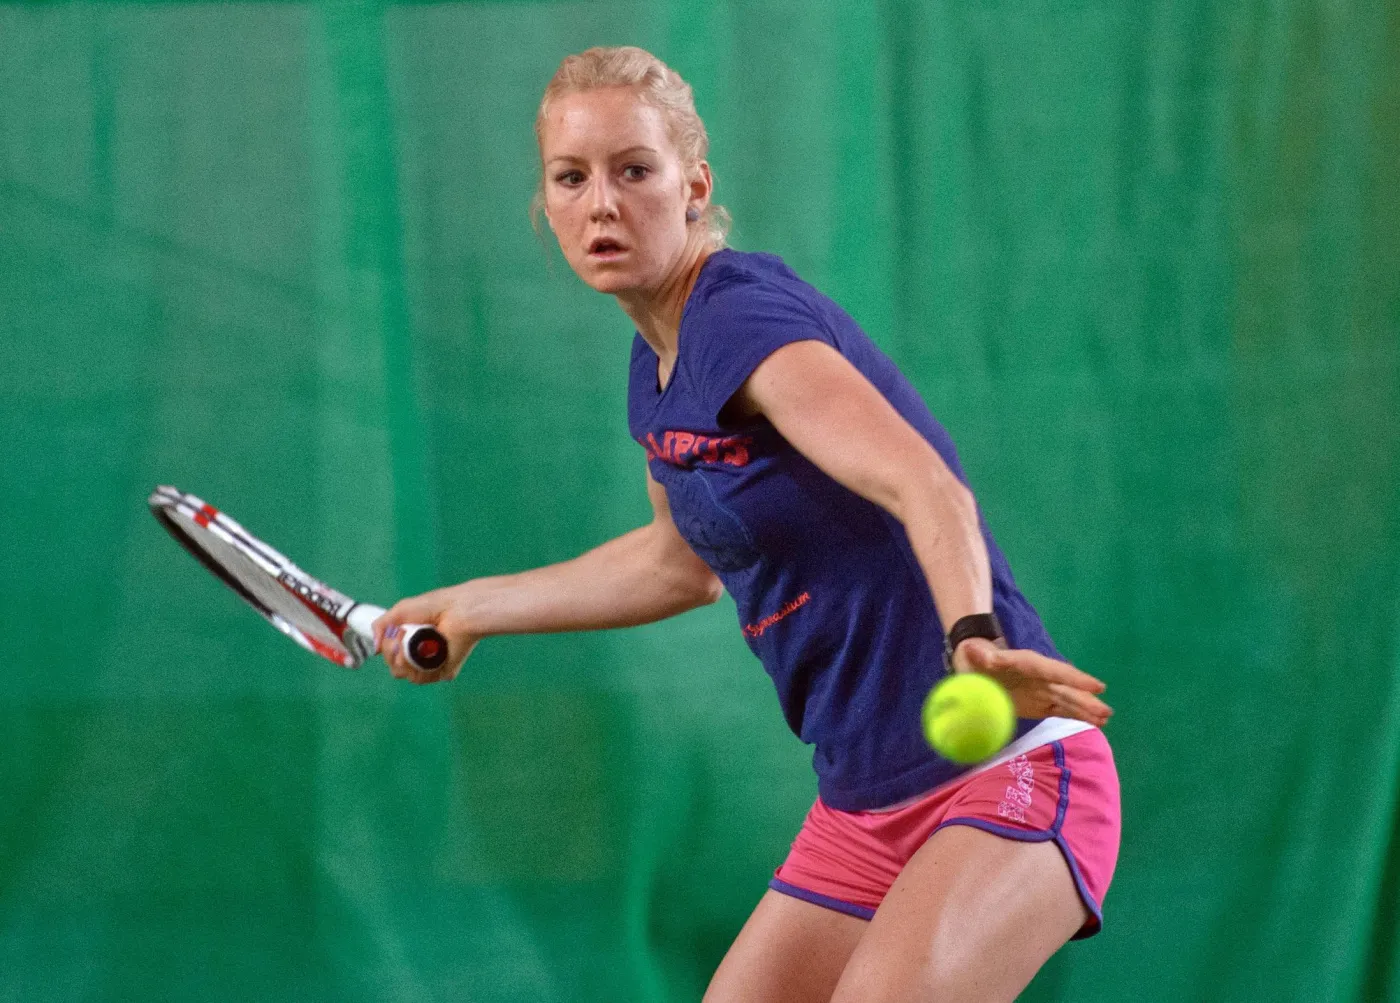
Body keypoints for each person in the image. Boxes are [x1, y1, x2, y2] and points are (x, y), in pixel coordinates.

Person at [374, 45, 1121, 1003]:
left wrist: (973, 637)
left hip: (1012, 767)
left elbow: (927, 486)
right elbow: (676, 564)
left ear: (693, 184)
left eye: (634, 170)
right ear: (547, 203)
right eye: (573, 177)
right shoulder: (657, 373)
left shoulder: (741, 319)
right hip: (865, 800)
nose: (603, 202)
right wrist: (472, 607)